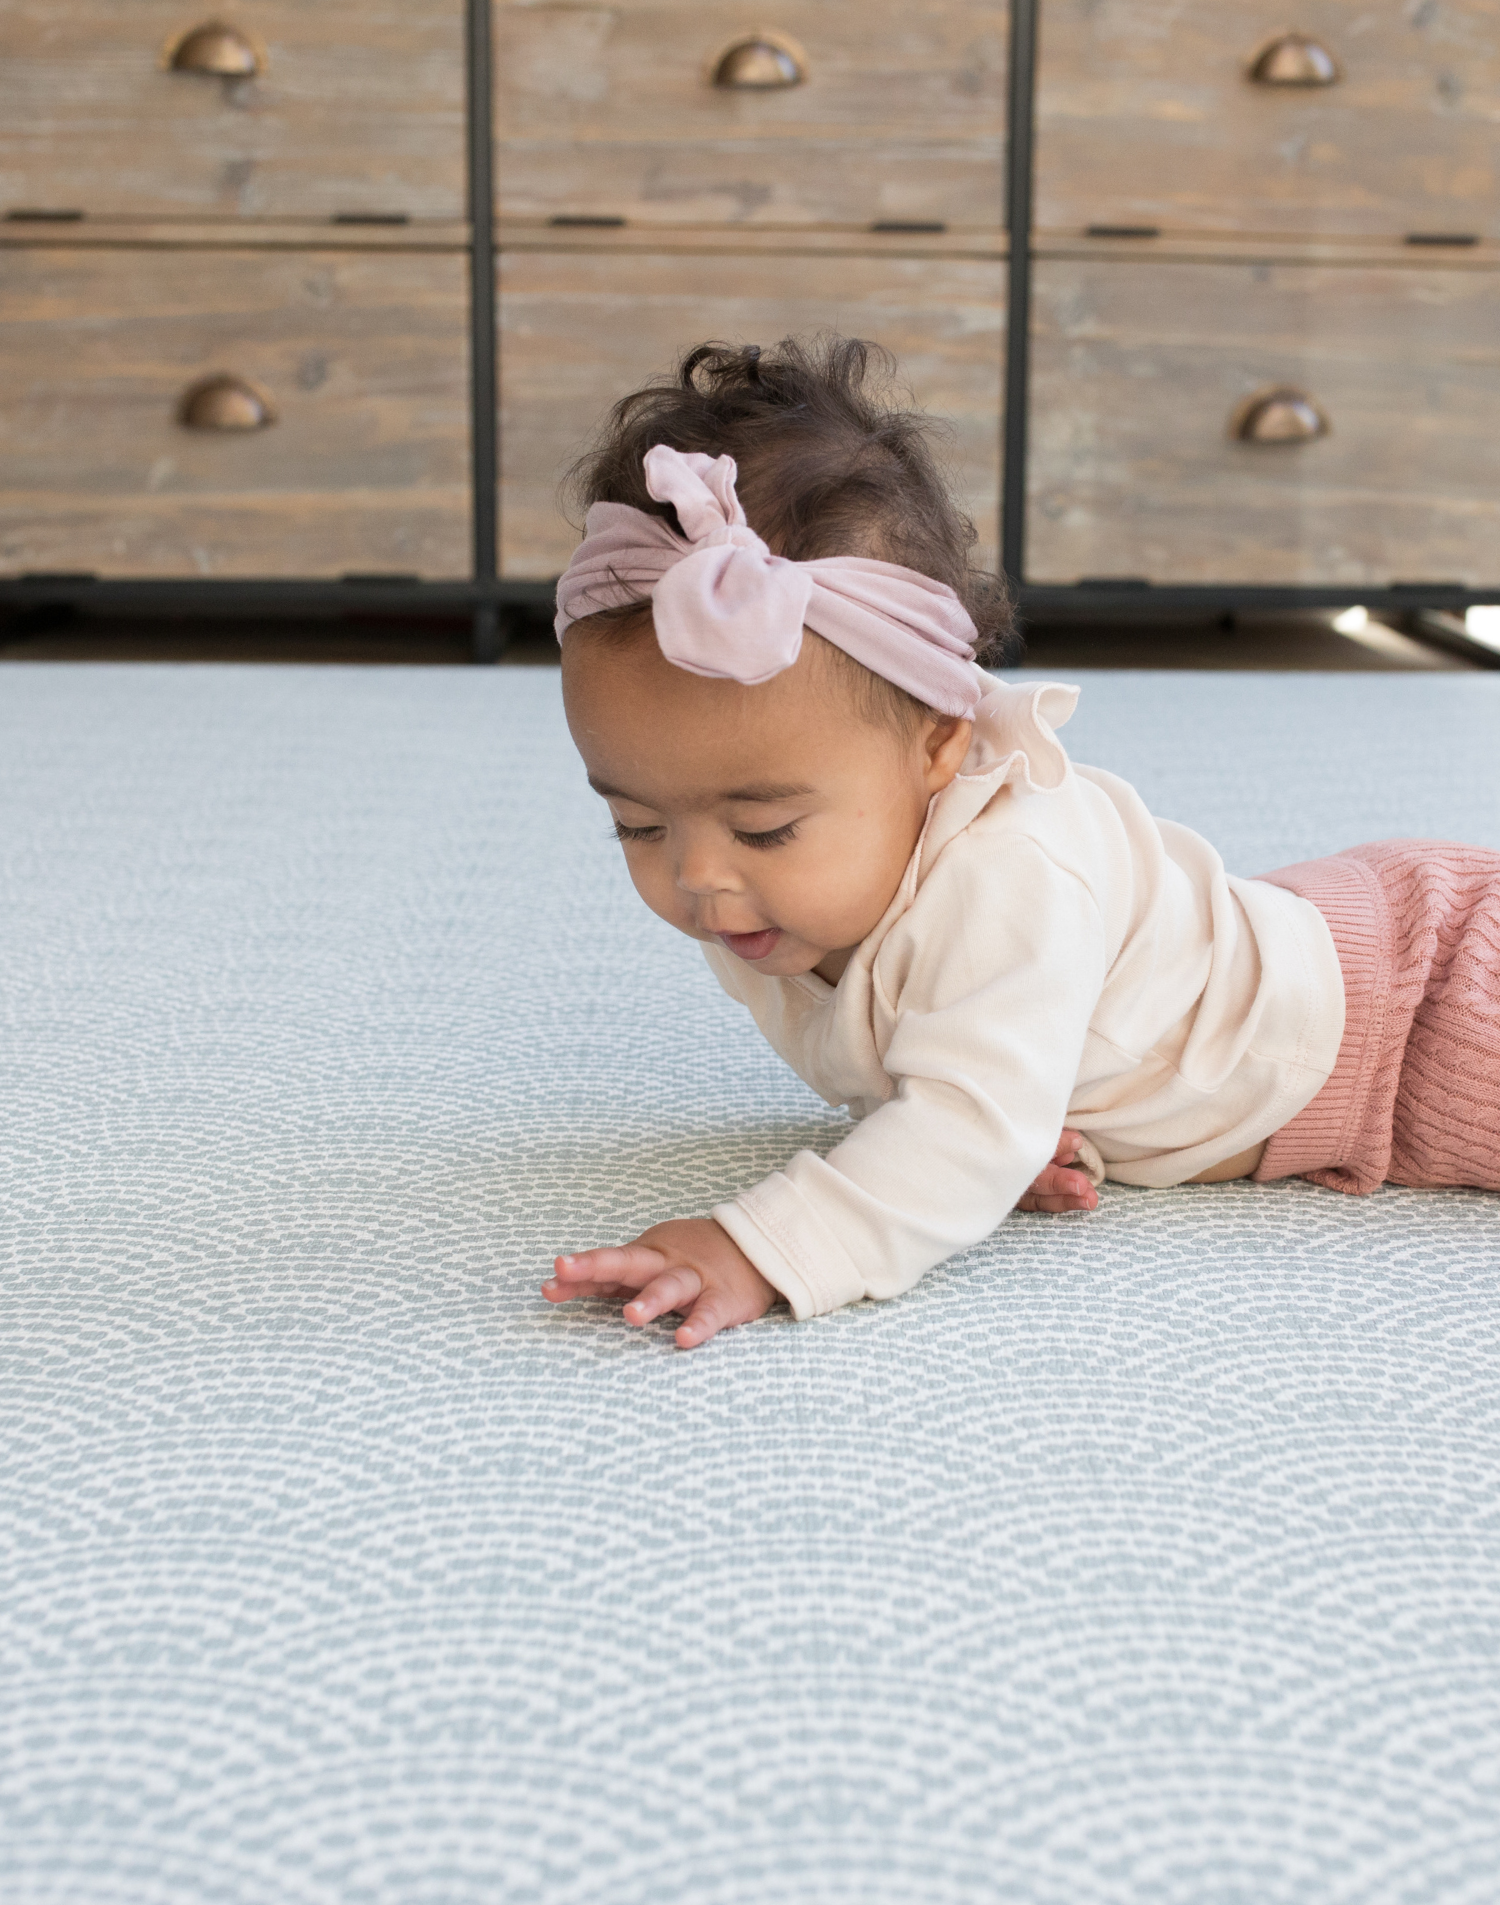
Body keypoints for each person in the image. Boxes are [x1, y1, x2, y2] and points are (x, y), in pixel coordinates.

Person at [541, 335, 1500, 1349]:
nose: (696, 876)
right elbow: (954, 1082)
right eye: (635, 823)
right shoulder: (767, 889)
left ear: (941, 742)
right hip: (1303, 958)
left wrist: (761, 1245)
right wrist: (1011, 1110)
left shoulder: (1012, 877)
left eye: (764, 826)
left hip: (1425, 1015)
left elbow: (966, 1126)